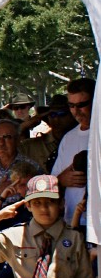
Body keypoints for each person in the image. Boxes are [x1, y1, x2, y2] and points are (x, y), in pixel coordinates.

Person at [51, 78, 94, 228]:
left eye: (81, 105)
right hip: (73, 223)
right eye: (71, 105)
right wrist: (62, 180)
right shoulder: (68, 138)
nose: (76, 111)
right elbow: (53, 180)